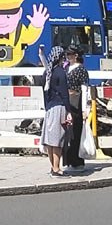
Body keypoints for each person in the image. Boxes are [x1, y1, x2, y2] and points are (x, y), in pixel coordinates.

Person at [41, 46, 71, 176]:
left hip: (49, 108)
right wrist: (69, 111)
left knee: (49, 140)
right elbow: (65, 93)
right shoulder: (60, 72)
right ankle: (56, 168)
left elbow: (44, 92)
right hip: (59, 106)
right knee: (58, 139)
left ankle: (52, 166)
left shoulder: (47, 73)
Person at [63, 47, 87, 170]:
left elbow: (84, 88)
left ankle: (77, 161)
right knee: (68, 132)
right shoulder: (66, 68)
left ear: (76, 55)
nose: (68, 56)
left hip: (76, 101)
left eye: (70, 54)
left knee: (76, 131)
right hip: (67, 101)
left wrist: (84, 109)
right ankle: (68, 160)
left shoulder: (81, 69)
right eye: (67, 54)